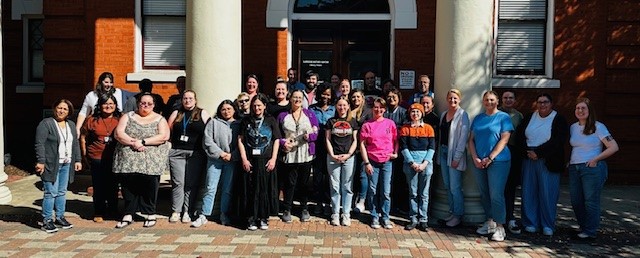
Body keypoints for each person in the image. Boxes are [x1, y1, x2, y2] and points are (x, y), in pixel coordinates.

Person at [113, 93, 170, 229]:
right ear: (138, 103)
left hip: (151, 159)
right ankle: (128, 213)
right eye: (143, 103)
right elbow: (119, 133)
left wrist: (144, 142)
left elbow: (164, 136)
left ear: (154, 105)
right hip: (129, 158)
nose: (145, 106)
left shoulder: (160, 119)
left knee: (149, 185)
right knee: (128, 185)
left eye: (149, 104)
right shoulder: (128, 116)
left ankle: (150, 213)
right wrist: (134, 143)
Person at [515, 93, 568, 236]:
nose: (542, 105)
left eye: (545, 102)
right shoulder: (529, 117)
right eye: (539, 102)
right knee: (529, 192)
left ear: (551, 104)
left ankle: (547, 225)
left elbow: (558, 141)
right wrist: (528, 151)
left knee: (548, 193)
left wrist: (539, 153)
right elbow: (519, 135)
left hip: (548, 160)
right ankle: (530, 223)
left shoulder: (558, 119)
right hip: (528, 158)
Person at [569, 98, 619, 240]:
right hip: (575, 168)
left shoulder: (598, 127)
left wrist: (596, 159)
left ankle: (589, 231)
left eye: (583, 108)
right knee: (576, 200)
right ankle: (584, 227)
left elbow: (613, 147)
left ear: (590, 111)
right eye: (577, 108)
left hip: (592, 168)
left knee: (590, 201)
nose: (580, 111)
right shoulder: (573, 127)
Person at [468, 91, 514, 242]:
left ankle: (500, 227)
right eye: (486, 100)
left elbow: (504, 139)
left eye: (492, 99)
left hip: (498, 161)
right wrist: (475, 158)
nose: (489, 102)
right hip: (479, 161)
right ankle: (490, 222)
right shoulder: (479, 118)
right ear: (483, 102)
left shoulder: (503, 117)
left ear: (497, 101)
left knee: (496, 194)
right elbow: (471, 140)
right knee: (484, 193)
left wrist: (490, 157)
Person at [35, 99, 82, 233]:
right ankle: (47, 220)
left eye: (65, 109)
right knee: (51, 192)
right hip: (51, 164)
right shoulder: (46, 124)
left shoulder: (71, 125)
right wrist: (41, 161)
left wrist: (77, 160)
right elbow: (40, 144)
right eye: (59, 108)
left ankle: (60, 217)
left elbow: (75, 144)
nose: (61, 111)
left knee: (62, 192)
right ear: (54, 108)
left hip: (66, 163)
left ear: (69, 112)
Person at [192, 100, 239, 228]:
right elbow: (207, 141)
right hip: (215, 161)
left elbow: (241, 143)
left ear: (234, 110)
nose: (226, 111)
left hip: (231, 161)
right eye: (223, 109)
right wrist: (220, 153)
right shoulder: (213, 123)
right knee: (210, 188)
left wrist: (232, 155)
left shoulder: (238, 124)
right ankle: (204, 215)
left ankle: (224, 214)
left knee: (227, 189)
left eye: (229, 109)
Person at [238, 93, 281, 230]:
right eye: (255, 105)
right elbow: (240, 140)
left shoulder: (270, 120)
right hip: (250, 161)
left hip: (266, 160)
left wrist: (274, 158)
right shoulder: (246, 120)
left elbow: (276, 140)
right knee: (250, 189)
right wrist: (244, 158)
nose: (257, 108)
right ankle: (251, 218)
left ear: (264, 106)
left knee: (265, 189)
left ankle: (263, 217)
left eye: (259, 105)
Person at [166, 90, 211, 224]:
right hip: (177, 152)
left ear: (195, 100)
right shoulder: (176, 113)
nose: (187, 101)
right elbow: (168, 130)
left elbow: (210, 129)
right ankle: (176, 211)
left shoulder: (202, 113)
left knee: (191, 183)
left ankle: (187, 211)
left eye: (190, 98)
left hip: (195, 153)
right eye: (185, 98)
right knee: (178, 182)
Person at [277, 89, 320, 223]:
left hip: (305, 153)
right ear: (290, 99)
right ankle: (287, 209)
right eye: (295, 97)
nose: (297, 100)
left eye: (300, 98)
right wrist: (283, 142)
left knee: (304, 183)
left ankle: (304, 208)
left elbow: (316, 130)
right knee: (289, 183)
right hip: (290, 154)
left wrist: (311, 136)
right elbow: (277, 134)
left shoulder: (310, 114)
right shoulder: (283, 115)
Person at [80, 93, 121, 223]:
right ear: (100, 105)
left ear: (115, 106)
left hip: (114, 158)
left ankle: (113, 210)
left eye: (111, 104)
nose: (108, 106)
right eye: (105, 103)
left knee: (113, 186)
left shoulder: (120, 118)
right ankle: (99, 211)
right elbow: (83, 137)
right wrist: (84, 155)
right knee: (99, 186)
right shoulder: (92, 119)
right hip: (96, 157)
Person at [360, 97, 398, 229]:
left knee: (386, 191)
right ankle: (374, 216)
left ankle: (385, 217)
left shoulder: (390, 124)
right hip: (372, 161)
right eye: (376, 107)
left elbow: (395, 140)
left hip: (387, 161)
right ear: (372, 108)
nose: (378, 110)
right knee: (373, 190)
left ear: (384, 109)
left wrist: (395, 152)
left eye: (381, 107)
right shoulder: (367, 125)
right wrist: (366, 163)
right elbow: (362, 145)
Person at [400, 103, 436, 231]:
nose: (415, 114)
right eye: (413, 112)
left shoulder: (428, 128)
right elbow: (403, 147)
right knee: (413, 192)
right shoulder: (405, 128)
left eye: (418, 112)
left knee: (424, 193)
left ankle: (423, 219)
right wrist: (412, 163)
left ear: (422, 113)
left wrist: (425, 163)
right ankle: (413, 218)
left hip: (426, 163)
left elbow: (431, 147)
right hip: (411, 164)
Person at [437, 89, 470, 228]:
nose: (452, 101)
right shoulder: (444, 114)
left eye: (455, 98)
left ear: (459, 99)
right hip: (443, 152)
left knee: (455, 187)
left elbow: (463, 138)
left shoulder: (463, 115)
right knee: (447, 185)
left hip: (454, 155)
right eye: (450, 98)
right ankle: (452, 211)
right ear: (447, 99)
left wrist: (457, 157)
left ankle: (458, 215)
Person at [325, 96, 359, 226]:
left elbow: (355, 140)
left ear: (348, 106)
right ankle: (335, 213)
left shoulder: (353, 121)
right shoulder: (331, 121)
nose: (342, 108)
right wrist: (332, 154)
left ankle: (346, 214)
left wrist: (349, 154)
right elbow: (327, 139)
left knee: (347, 186)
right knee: (334, 186)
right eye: (339, 105)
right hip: (333, 157)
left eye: (344, 105)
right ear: (336, 107)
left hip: (349, 158)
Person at [498, 90, 524, 234]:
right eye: (505, 97)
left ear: (515, 100)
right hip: (498, 153)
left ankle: (510, 217)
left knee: (510, 188)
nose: (508, 100)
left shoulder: (518, 116)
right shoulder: (497, 113)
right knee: (498, 188)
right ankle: (498, 218)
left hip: (513, 153)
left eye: (511, 98)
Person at [309, 83, 335, 215]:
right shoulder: (311, 109)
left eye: (328, 94)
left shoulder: (334, 109)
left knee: (330, 176)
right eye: (323, 93)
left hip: (331, 145)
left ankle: (328, 202)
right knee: (318, 176)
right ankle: (318, 203)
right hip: (317, 145)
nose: (325, 96)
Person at [384, 89, 408, 215]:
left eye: (394, 97)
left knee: (399, 178)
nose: (391, 99)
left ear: (399, 98)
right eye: (388, 97)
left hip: (399, 150)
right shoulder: (383, 112)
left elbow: (403, 130)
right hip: (384, 150)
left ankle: (398, 205)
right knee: (387, 179)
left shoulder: (404, 113)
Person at [349, 89, 372, 213]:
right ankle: (351, 199)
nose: (356, 99)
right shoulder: (347, 110)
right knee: (352, 176)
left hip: (364, 148)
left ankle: (362, 201)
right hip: (349, 148)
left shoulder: (368, 112)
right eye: (353, 97)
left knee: (363, 175)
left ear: (362, 98)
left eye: (358, 97)